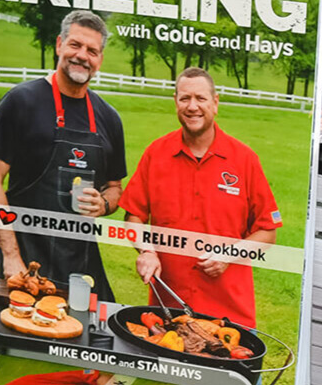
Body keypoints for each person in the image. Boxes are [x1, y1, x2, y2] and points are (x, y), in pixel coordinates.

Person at [118, 67, 281, 328]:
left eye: (201, 98)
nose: (192, 106)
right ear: (175, 102)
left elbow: (267, 233)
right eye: (185, 98)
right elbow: (133, 216)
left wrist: (229, 254)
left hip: (229, 313)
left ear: (215, 103)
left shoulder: (245, 160)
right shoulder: (156, 154)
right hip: (168, 309)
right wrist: (146, 250)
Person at [0, 10, 125, 302]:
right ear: (60, 44)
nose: (82, 56)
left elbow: (114, 188)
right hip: (27, 261)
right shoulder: (22, 101)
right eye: (75, 45)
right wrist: (11, 256)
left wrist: (104, 203)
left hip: (84, 267)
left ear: (100, 59)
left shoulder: (109, 118)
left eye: (92, 50)